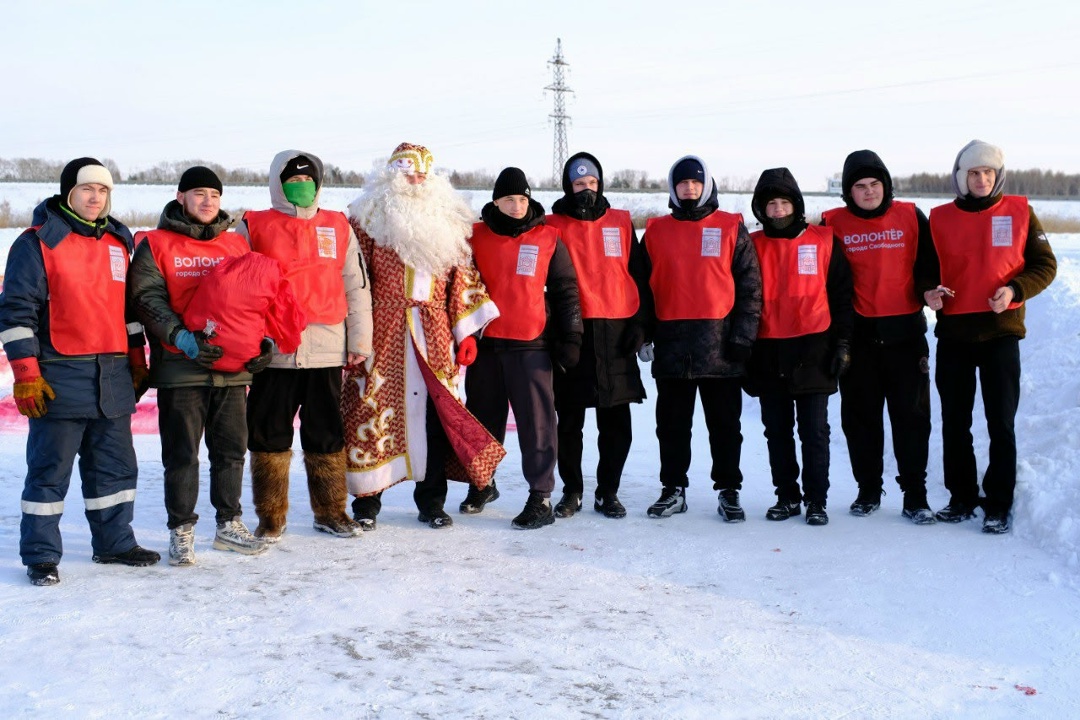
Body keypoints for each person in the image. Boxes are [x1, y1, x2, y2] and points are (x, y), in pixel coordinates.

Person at [0, 157, 160, 585]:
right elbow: (17, 313)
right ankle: (40, 556)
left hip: (111, 378)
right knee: (49, 473)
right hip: (58, 377)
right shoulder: (36, 243)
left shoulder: (117, 242)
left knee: (116, 469)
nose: (95, 197)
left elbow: (128, 311)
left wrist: (136, 356)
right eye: (87, 188)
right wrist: (26, 372)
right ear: (68, 192)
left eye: (103, 190)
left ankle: (114, 543)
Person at [342, 143, 503, 530]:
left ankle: (431, 503)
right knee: (372, 409)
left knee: (435, 418)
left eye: (422, 175)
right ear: (390, 176)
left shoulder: (450, 224)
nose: (415, 180)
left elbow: (463, 278)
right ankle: (367, 503)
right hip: (382, 331)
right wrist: (353, 334)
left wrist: (467, 332)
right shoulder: (366, 220)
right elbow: (353, 281)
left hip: (433, 333)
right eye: (408, 173)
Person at [128, 166, 271, 565]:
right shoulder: (155, 244)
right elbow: (148, 299)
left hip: (231, 368)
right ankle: (182, 531)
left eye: (214, 194)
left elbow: (254, 300)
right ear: (180, 197)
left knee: (230, 451)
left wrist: (262, 341)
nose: (208, 201)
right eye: (198, 193)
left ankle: (228, 525)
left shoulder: (235, 245)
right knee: (182, 453)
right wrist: (180, 338)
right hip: (181, 367)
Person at [236, 150, 373, 541]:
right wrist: (247, 342)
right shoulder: (253, 224)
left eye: (308, 180)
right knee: (267, 434)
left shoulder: (338, 225)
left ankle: (331, 511)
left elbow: (357, 286)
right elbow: (236, 288)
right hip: (274, 350)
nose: (301, 187)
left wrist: (360, 340)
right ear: (277, 184)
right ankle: (270, 516)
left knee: (326, 433)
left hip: (327, 346)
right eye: (293, 181)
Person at [922, 140, 1056, 534]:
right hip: (954, 335)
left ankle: (998, 503)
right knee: (955, 422)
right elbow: (925, 272)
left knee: (1001, 421)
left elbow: (1045, 265)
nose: (981, 180)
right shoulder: (940, 218)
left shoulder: (1020, 212)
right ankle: (961, 497)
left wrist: (1015, 290)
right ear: (960, 178)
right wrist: (928, 292)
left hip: (1001, 334)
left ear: (997, 176)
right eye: (973, 173)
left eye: (988, 173)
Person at [640, 155, 762, 521]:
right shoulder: (656, 231)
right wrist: (643, 333)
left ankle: (729, 490)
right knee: (672, 427)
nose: (688, 188)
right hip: (673, 347)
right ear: (673, 188)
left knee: (725, 427)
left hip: (720, 349)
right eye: (682, 183)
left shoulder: (729, 227)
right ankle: (673, 489)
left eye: (695, 182)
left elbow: (750, 287)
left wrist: (743, 337)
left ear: (706, 185)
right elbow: (641, 290)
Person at [464, 167, 583, 529]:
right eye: (509, 199)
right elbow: (461, 287)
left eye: (522, 199)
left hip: (531, 344)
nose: (517, 206)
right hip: (486, 344)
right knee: (482, 420)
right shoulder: (475, 236)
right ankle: (483, 483)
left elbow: (566, 290)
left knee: (537, 423)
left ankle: (541, 497)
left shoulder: (548, 237)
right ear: (495, 201)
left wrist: (573, 336)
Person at [821, 151, 936, 524]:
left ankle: (915, 495)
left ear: (885, 186)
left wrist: (928, 292)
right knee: (860, 419)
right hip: (858, 338)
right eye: (860, 186)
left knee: (912, 418)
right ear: (848, 192)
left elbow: (928, 266)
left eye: (875, 184)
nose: (868, 192)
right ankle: (868, 488)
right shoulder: (830, 223)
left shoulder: (911, 216)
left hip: (905, 336)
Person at [744, 167, 853, 526]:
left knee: (814, 430)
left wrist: (842, 344)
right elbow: (739, 300)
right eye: (770, 204)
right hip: (768, 348)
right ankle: (787, 496)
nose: (777, 210)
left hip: (814, 347)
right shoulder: (751, 245)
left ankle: (816, 500)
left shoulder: (823, 240)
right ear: (761, 209)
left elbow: (841, 297)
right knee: (777, 430)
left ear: (796, 204)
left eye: (784, 202)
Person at [545, 152, 648, 519]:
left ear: (600, 184)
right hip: (573, 334)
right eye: (578, 184)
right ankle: (572, 490)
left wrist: (641, 325)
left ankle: (608, 491)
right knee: (569, 422)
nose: (586, 189)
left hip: (616, 333)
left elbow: (638, 273)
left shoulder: (621, 222)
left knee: (616, 424)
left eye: (591, 183)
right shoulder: (551, 223)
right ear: (568, 187)